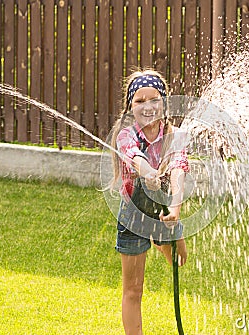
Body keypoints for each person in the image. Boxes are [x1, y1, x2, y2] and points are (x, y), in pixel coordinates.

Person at [110, 68, 188, 335]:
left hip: (164, 209)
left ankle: (157, 239)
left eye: (153, 99)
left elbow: (178, 169)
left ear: (163, 102)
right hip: (133, 215)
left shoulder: (175, 135)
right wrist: (149, 173)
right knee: (133, 289)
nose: (147, 106)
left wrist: (175, 209)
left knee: (179, 260)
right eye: (139, 101)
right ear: (131, 107)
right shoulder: (126, 134)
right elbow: (134, 157)